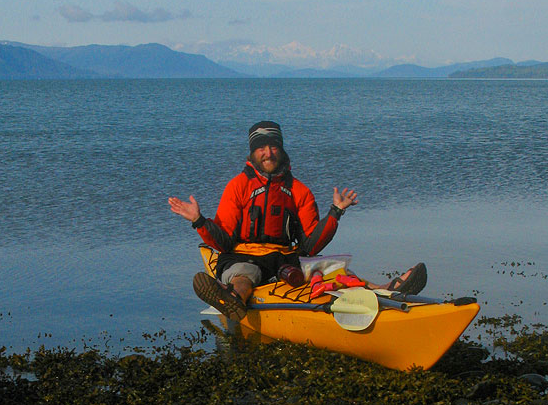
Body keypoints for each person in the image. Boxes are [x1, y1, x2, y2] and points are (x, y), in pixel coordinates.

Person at [168, 120, 426, 320]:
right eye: (261, 148)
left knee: (334, 270)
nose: (268, 153)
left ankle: (385, 289)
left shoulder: (299, 191)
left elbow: (311, 246)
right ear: (253, 152)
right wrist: (199, 220)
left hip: (285, 258)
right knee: (246, 276)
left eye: (273, 146)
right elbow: (223, 241)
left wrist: (335, 213)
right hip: (242, 256)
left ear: (281, 149)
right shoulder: (238, 186)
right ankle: (232, 300)